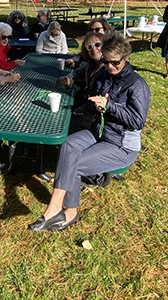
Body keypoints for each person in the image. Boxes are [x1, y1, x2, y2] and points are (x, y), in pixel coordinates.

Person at [28, 32, 151, 231]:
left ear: (125, 58)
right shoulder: (102, 75)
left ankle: (67, 211)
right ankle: (57, 208)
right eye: (106, 61)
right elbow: (92, 103)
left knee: (75, 164)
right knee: (68, 146)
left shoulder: (136, 84)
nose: (110, 67)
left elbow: (137, 121)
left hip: (121, 144)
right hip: (99, 132)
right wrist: (78, 110)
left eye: (115, 63)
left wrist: (110, 106)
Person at [59, 31, 106, 132]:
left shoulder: (109, 68)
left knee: (64, 123)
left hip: (96, 115)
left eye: (97, 45)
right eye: (89, 47)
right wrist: (69, 78)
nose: (94, 49)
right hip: (86, 105)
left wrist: (80, 111)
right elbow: (76, 72)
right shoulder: (91, 64)